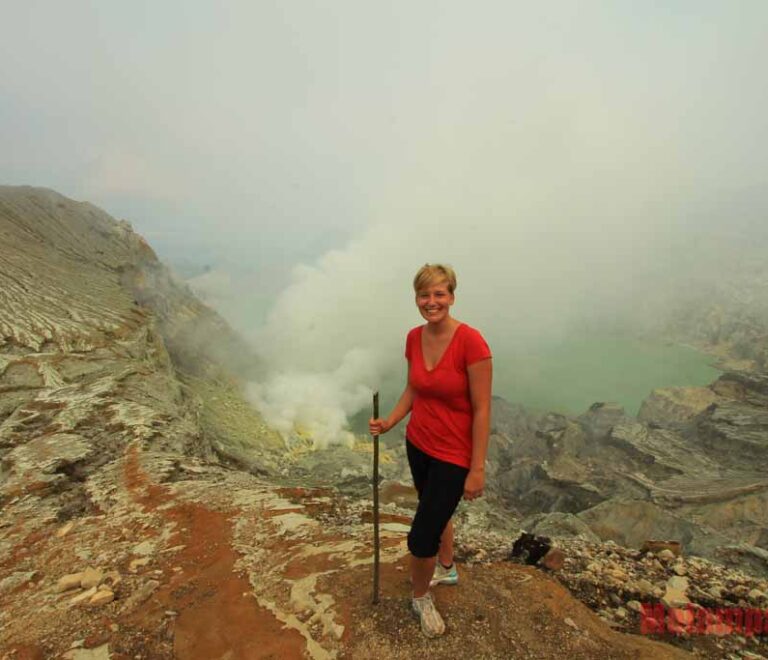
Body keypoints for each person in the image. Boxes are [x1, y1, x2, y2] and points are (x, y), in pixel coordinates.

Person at [369, 263, 493, 638]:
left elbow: (483, 408)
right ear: (417, 299)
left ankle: (420, 597)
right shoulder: (414, 337)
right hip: (418, 442)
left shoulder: (472, 343)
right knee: (432, 509)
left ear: (452, 297)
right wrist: (390, 421)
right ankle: (448, 566)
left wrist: (477, 469)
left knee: (420, 536)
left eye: (440, 294)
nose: (432, 301)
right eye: (425, 295)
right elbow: (414, 388)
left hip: (454, 454)